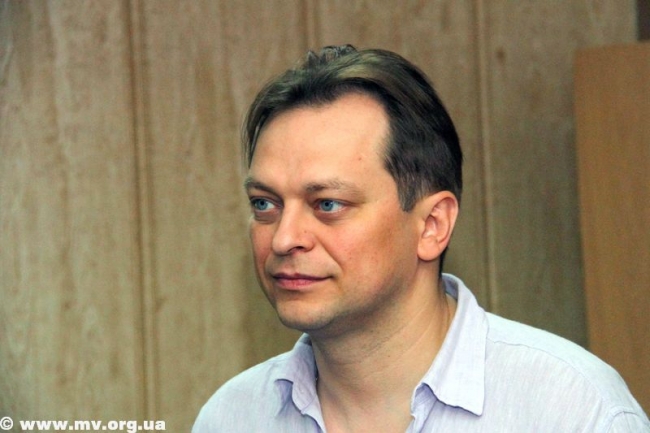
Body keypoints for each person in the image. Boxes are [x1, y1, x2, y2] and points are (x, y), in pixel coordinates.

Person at [192, 45, 649, 432]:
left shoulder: (571, 410)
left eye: (327, 204)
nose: (283, 239)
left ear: (432, 225)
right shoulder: (232, 417)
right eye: (265, 204)